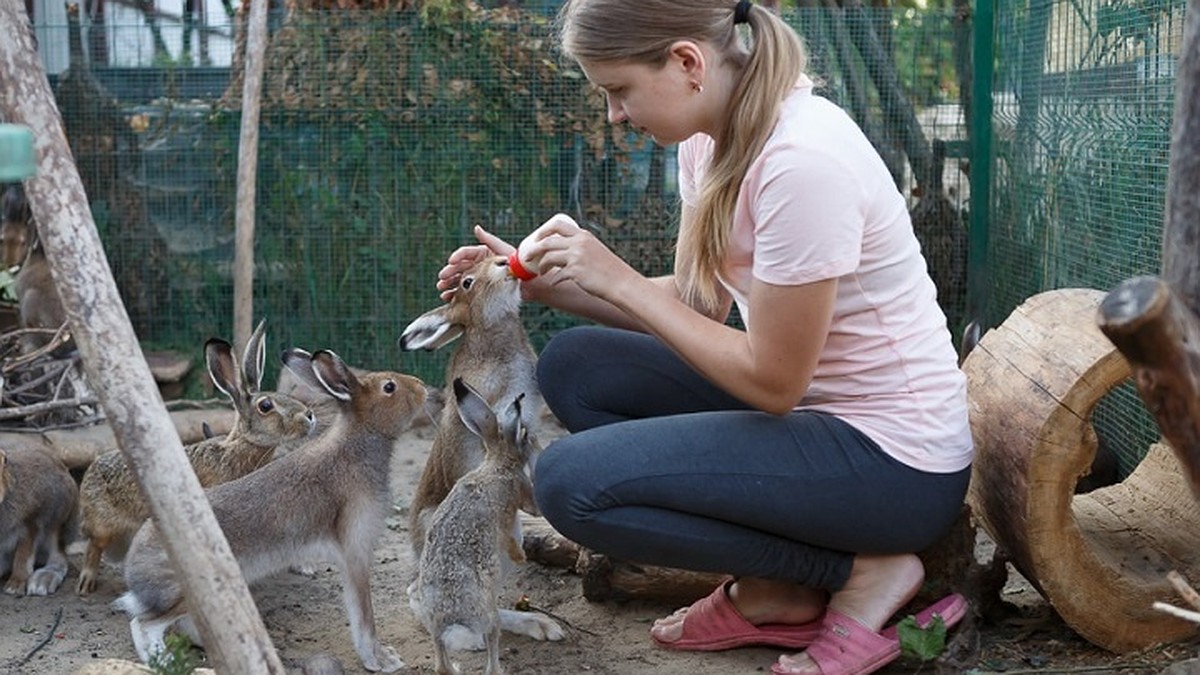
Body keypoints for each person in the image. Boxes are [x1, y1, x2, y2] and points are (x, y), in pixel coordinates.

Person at [434, 0, 974, 673]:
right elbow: (698, 304)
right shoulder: (709, 139)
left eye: (619, 90)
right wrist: (544, 284)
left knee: (570, 484)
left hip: (895, 466)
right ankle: (777, 588)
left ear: (688, 62)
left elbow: (775, 383)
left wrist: (617, 276)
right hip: (816, 420)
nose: (615, 115)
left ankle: (855, 569)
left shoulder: (802, 162)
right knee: (576, 366)